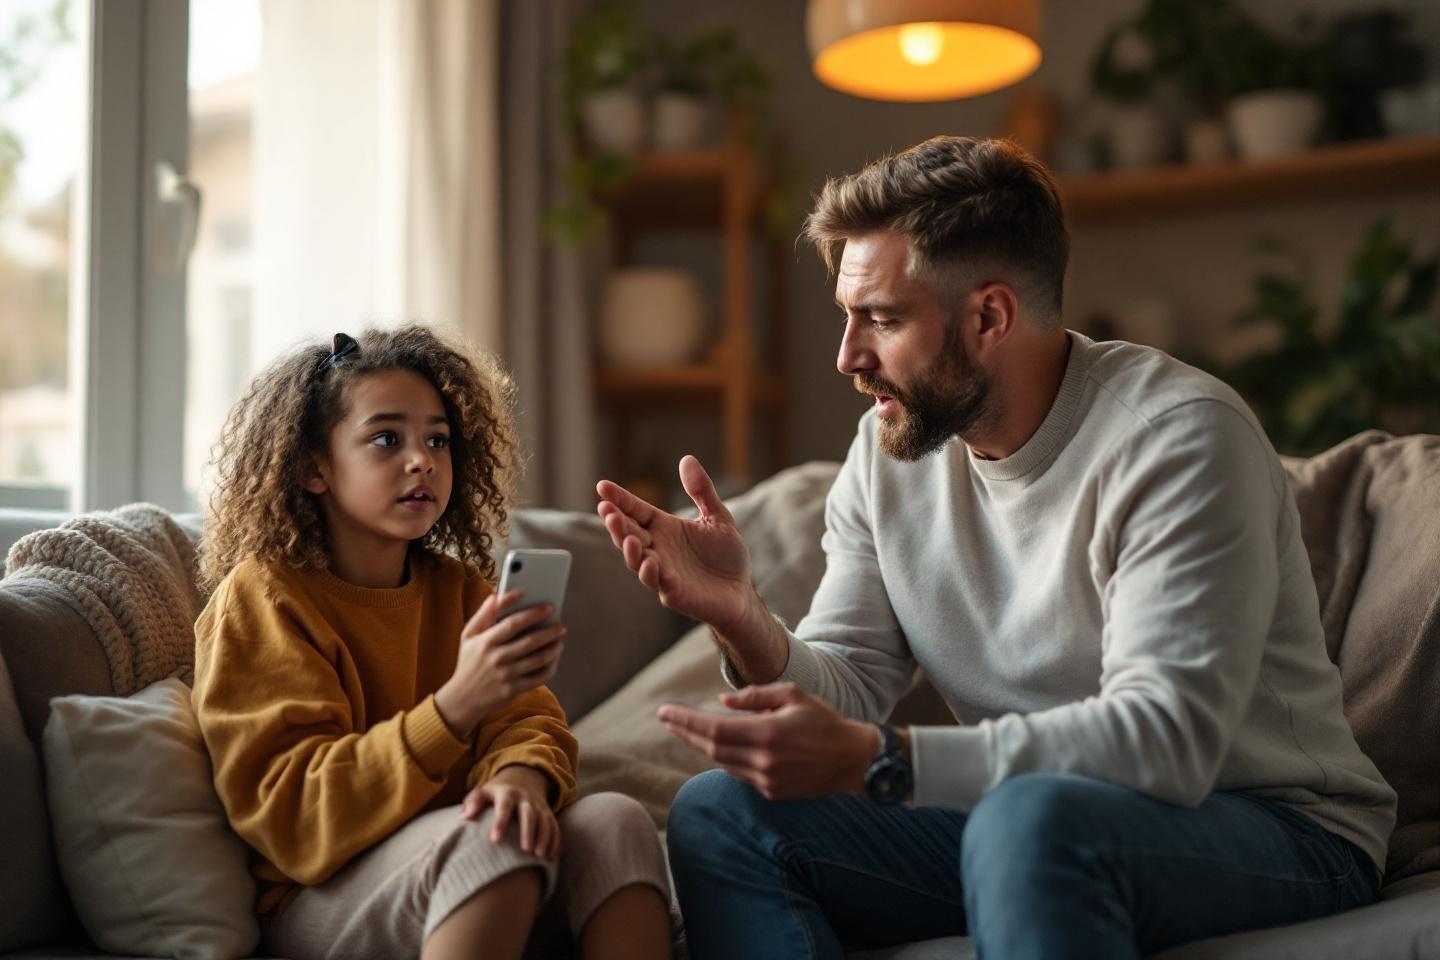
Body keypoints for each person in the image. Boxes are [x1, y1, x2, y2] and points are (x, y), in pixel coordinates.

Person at [595, 137, 1395, 960]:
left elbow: (1169, 741)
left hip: (1276, 829)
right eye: (847, 315)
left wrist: (887, 762)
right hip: (1029, 819)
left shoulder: (1177, 439)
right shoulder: (889, 453)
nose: (847, 357)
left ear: (989, 316)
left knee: (1032, 820)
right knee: (720, 811)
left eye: (882, 318)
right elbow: (851, 686)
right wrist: (743, 619)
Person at [194, 325, 671, 960]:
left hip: (460, 862)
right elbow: (296, 815)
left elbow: (528, 722)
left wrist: (522, 779)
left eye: (437, 440)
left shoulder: (459, 592)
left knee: (617, 822)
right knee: (492, 838)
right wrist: (454, 709)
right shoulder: (265, 599)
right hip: (320, 892)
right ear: (314, 467)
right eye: (386, 438)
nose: (421, 460)